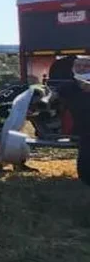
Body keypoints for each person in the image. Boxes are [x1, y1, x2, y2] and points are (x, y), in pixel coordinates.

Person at [0, 80, 59, 172]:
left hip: (0, 108)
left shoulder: (32, 90)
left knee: (14, 138)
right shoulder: (24, 100)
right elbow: (30, 110)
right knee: (2, 139)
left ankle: (17, 164)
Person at [45, 55, 90, 185]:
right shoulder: (67, 86)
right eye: (78, 66)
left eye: (86, 66)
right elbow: (52, 95)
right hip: (82, 130)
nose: (81, 68)